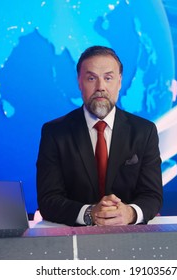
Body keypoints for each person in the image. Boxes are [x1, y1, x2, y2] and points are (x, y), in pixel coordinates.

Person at [36, 46, 163, 226]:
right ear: (79, 83)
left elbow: (152, 196)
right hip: (72, 239)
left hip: (130, 237)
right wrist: (89, 213)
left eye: (108, 78)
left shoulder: (144, 131)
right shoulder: (55, 132)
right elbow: (48, 200)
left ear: (119, 82)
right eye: (91, 78)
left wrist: (130, 214)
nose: (100, 87)